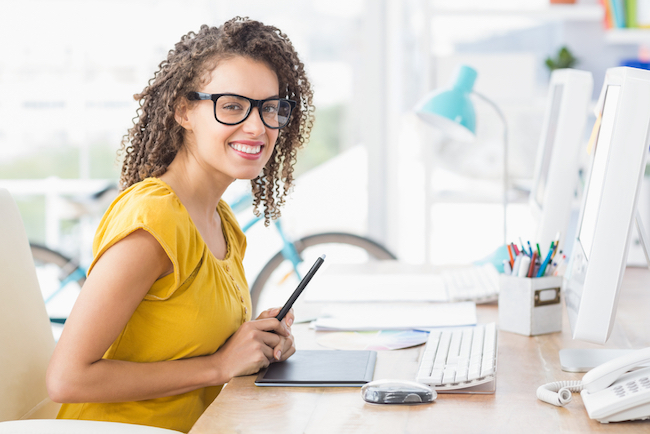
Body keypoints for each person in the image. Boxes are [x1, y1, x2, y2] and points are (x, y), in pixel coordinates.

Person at [46, 17, 314, 433]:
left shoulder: (222, 221)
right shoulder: (154, 220)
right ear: (184, 111)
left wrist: (254, 343)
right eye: (231, 106)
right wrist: (218, 365)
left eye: (270, 107)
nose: (258, 126)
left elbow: (187, 341)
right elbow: (67, 378)